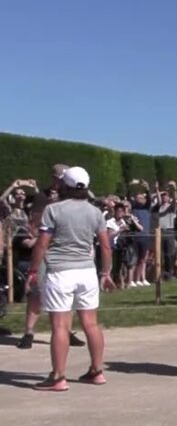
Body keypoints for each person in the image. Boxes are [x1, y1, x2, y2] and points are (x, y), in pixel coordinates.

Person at [25, 167, 115, 391]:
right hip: (86, 271)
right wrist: (106, 272)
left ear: (65, 185)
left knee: (59, 326)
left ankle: (58, 377)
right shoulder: (94, 212)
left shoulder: (54, 209)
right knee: (91, 323)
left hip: (60, 271)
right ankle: (96, 371)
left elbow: (42, 243)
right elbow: (105, 245)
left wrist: (33, 271)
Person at [16, 164, 86, 350]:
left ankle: (67, 331)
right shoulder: (41, 197)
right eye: (60, 178)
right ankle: (29, 332)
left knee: (66, 293)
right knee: (35, 292)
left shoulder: (71, 197)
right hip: (44, 248)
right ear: (54, 178)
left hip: (62, 251)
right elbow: (35, 223)